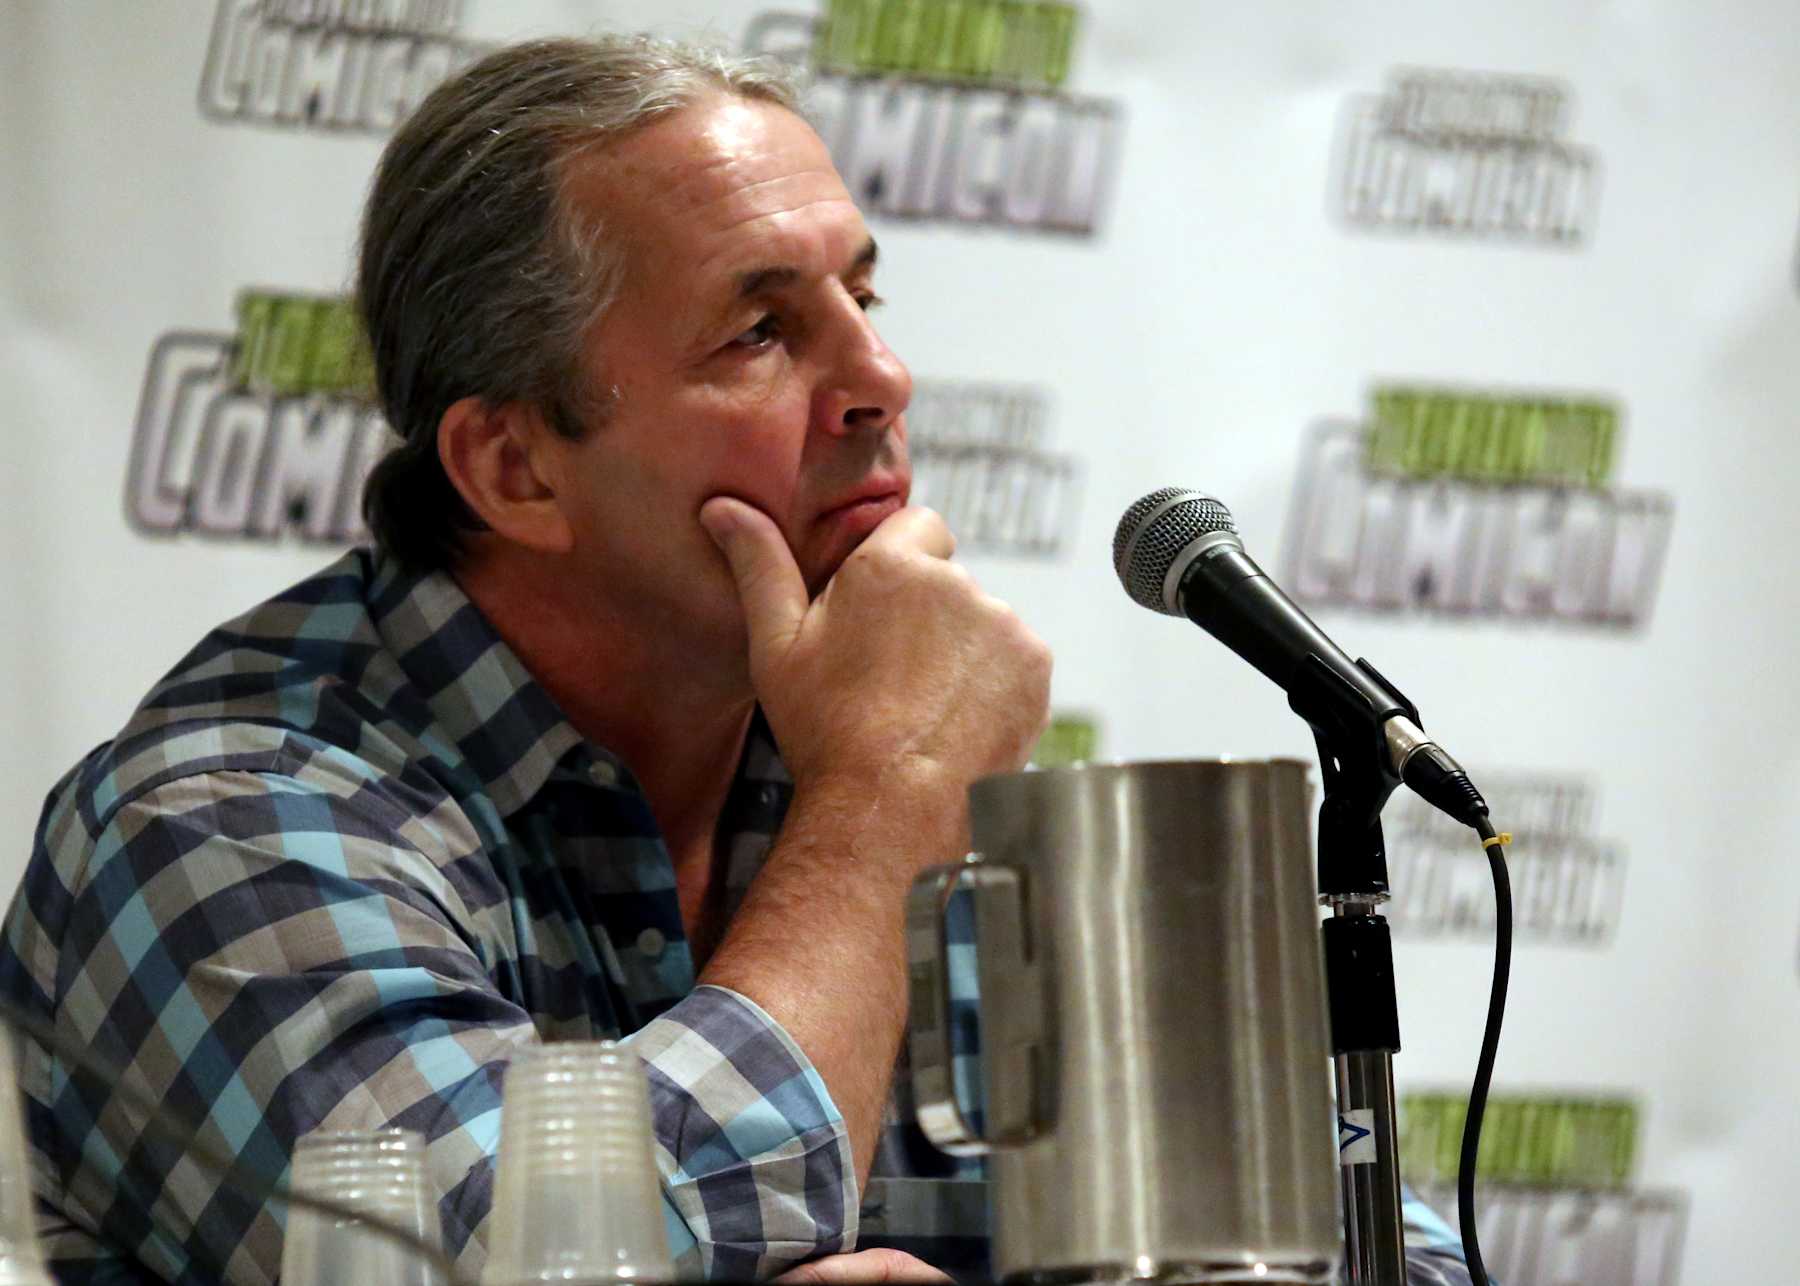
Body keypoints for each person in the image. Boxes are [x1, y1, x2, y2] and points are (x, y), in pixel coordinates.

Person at [0, 32, 1472, 1286]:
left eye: (864, 301)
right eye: (761, 332)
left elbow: (1382, 1238)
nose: (881, 380)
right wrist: (892, 792)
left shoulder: (853, 761)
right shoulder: (220, 823)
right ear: (514, 464)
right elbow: (533, 1261)